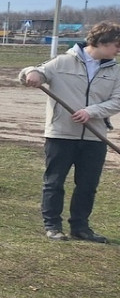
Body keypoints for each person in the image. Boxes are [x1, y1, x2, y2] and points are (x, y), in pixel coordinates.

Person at [20, 21, 120, 243]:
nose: (118, 50)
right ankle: (53, 226)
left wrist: (91, 112)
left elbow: (117, 100)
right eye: (116, 44)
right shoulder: (63, 61)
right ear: (101, 42)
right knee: (54, 182)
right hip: (61, 134)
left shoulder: (115, 70)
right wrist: (31, 73)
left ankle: (81, 228)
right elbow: (34, 72)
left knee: (87, 185)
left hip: (95, 135)